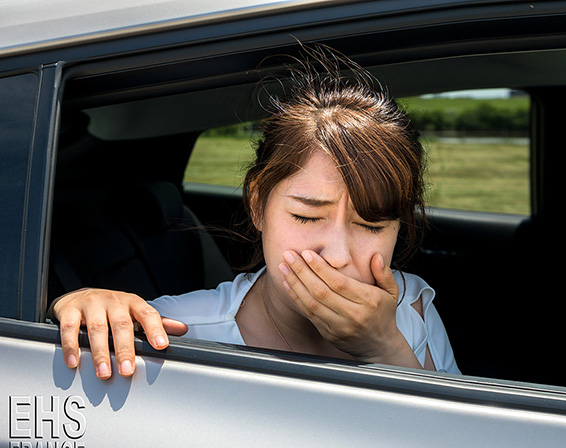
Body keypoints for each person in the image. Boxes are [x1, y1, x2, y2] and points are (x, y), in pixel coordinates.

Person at [50, 47, 459, 378]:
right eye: (307, 216)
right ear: (258, 204)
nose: (337, 255)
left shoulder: (411, 309)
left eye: (371, 224)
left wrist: (386, 347)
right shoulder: (173, 332)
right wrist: (81, 303)